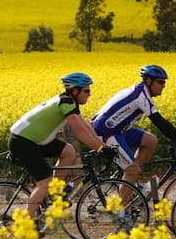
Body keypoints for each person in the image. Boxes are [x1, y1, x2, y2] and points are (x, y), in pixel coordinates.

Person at [9, 72, 112, 219]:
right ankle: (27, 223)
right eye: (86, 91)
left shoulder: (69, 102)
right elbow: (79, 131)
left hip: (34, 139)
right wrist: (100, 149)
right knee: (44, 181)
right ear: (75, 91)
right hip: (23, 141)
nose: (89, 94)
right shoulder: (66, 102)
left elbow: (86, 127)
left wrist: (103, 147)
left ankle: (54, 192)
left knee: (68, 151)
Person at [91, 64, 176, 194]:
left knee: (151, 140)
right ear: (148, 81)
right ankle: (120, 212)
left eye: (164, 83)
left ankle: (130, 181)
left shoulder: (142, 91)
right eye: (160, 82)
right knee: (133, 170)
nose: (163, 85)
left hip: (119, 130)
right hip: (106, 133)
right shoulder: (140, 96)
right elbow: (160, 122)